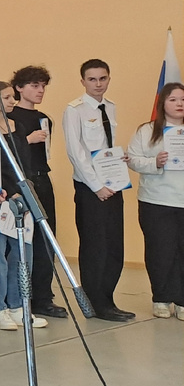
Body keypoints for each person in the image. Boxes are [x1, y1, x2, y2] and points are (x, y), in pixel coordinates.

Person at [63, 59, 133, 322]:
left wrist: (118, 161)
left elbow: (106, 147)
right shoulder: (75, 110)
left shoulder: (110, 107)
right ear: (83, 81)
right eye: (92, 79)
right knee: (95, 245)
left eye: (102, 78)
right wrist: (97, 186)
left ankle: (108, 298)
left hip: (114, 183)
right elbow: (76, 153)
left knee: (114, 244)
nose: (98, 84)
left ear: (109, 79)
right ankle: (96, 302)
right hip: (90, 188)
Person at [0, 82, 47, 331]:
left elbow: (24, 162)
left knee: (23, 254)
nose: (12, 101)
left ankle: (19, 306)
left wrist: (26, 190)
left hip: (21, 196)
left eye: (12, 97)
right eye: (6, 97)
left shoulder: (17, 126)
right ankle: (0, 309)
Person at [9, 65, 67, 318]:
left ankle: (43, 296)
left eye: (43, 86)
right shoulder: (11, 117)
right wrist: (27, 140)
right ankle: (19, 296)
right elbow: (5, 150)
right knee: (21, 240)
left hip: (42, 178)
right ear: (19, 88)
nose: (40, 90)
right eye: (34, 86)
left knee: (46, 238)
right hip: (21, 182)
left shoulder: (45, 118)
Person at [126, 82, 184, 320]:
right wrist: (155, 162)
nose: (179, 104)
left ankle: (182, 301)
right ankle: (161, 297)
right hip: (156, 201)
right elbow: (132, 159)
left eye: (183, 99)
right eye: (173, 99)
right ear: (162, 103)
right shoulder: (147, 130)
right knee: (160, 251)